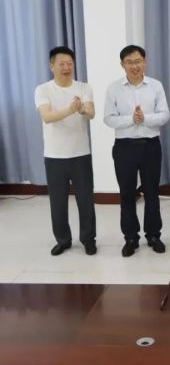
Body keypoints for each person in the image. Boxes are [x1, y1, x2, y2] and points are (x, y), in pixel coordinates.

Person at [104, 45, 170, 257]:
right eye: (129, 62)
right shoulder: (114, 88)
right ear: (122, 65)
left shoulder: (155, 86)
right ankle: (131, 238)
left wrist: (145, 118)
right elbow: (108, 118)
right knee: (127, 194)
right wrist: (131, 119)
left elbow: (165, 115)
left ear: (145, 62)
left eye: (138, 61)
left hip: (151, 145)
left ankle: (153, 235)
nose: (134, 66)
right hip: (124, 147)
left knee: (152, 192)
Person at [34, 46, 97, 256]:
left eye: (70, 64)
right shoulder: (43, 90)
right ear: (52, 66)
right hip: (54, 156)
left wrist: (82, 109)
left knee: (85, 200)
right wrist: (69, 110)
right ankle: (63, 240)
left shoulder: (83, 87)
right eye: (61, 64)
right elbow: (47, 117)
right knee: (58, 202)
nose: (66, 67)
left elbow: (91, 113)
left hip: (80, 154)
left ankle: (88, 239)